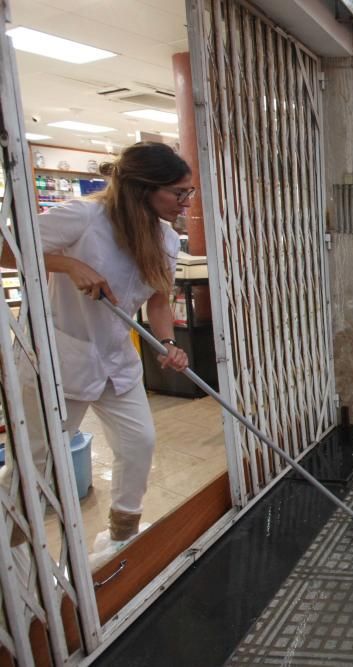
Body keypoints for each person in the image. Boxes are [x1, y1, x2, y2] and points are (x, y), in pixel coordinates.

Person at [2, 142, 192, 555]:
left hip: (117, 361)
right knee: (39, 465)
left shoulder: (165, 237)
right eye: (178, 193)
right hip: (59, 360)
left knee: (139, 443)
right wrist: (69, 265)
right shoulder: (83, 218)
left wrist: (167, 342)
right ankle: (12, 556)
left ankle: (121, 536)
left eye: (187, 193)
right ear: (143, 189)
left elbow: (159, 299)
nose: (185, 202)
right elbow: (7, 249)